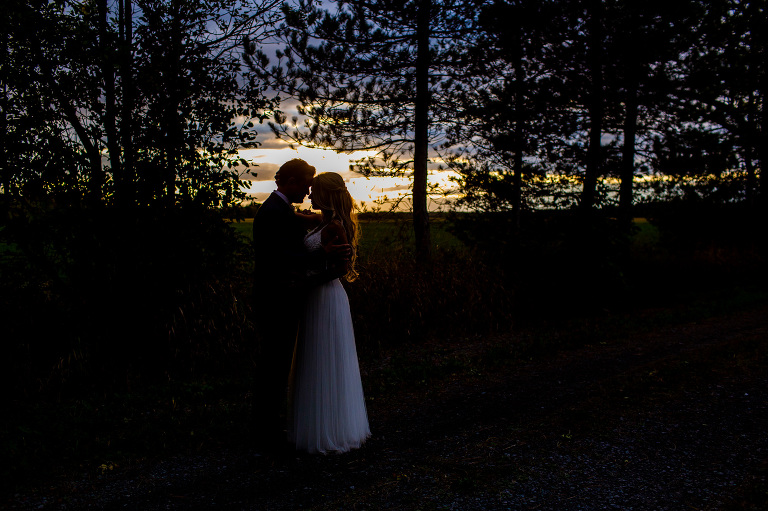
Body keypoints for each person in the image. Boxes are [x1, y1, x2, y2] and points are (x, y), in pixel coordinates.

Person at [252, 159, 349, 450]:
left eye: (313, 187)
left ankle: (273, 427)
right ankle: (267, 432)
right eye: (306, 184)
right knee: (275, 365)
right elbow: (277, 258)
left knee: (281, 364)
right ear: (291, 181)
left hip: (296, 297)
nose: (308, 192)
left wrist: (315, 223)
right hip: (277, 299)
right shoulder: (273, 211)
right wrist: (319, 255)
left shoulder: (282, 209)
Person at [288, 171, 371, 454]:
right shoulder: (321, 220)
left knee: (325, 359)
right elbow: (296, 218)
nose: (309, 195)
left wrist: (304, 283)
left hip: (325, 296)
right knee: (313, 358)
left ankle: (331, 429)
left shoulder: (335, 226)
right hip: (314, 296)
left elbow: (340, 269)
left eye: (314, 191)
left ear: (324, 194)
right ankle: (316, 423)